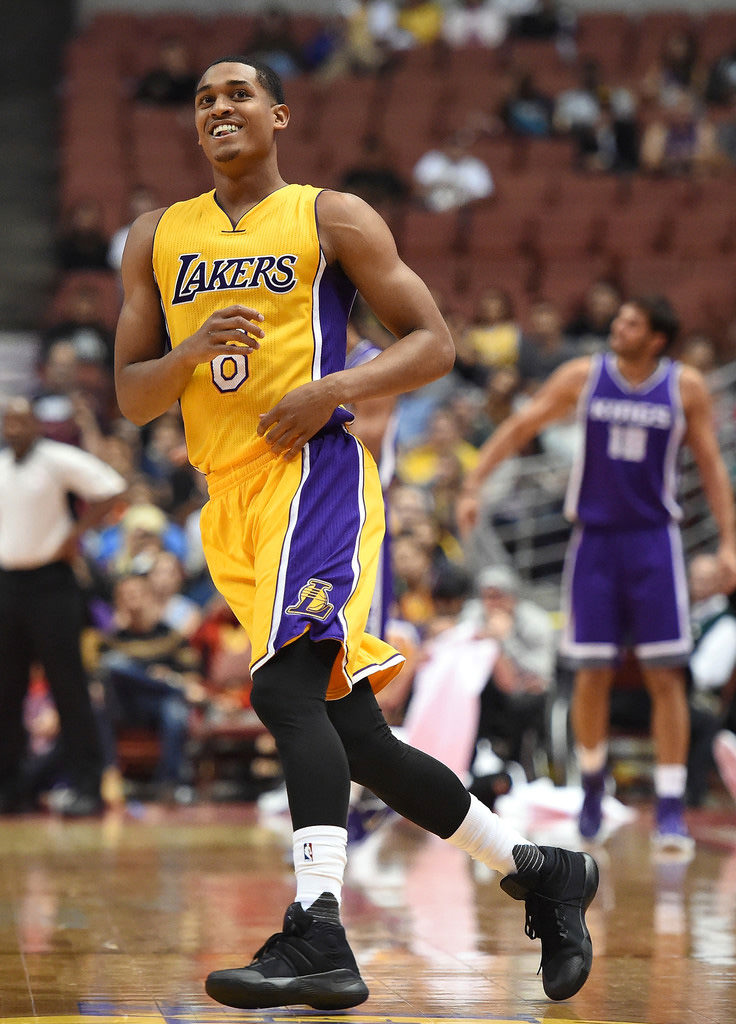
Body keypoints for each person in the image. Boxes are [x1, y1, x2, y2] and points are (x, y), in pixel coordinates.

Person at [114, 55, 598, 1010]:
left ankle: (319, 932)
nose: (219, 107)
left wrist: (333, 390)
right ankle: (543, 869)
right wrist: (190, 353)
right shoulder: (155, 236)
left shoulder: (331, 217)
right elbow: (134, 398)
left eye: (239, 93)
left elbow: (433, 342)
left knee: (283, 688)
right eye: (206, 97)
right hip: (229, 501)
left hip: (315, 474)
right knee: (355, 735)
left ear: (280, 115)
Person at [457, 295, 736, 849]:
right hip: (595, 544)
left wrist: (728, 543)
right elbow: (522, 424)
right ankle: (589, 787)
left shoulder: (685, 388)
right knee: (591, 673)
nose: (618, 326)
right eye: (619, 318)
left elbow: (710, 465)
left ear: (657, 337)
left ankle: (673, 802)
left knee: (665, 676)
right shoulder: (584, 375)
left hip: (655, 542)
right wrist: (474, 482)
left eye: (631, 322)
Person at [0, 397, 127, 816]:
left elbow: (111, 489)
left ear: (35, 424)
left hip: (52, 584)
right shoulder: (2, 463)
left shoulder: (56, 460)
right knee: (7, 691)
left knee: (68, 687)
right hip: (7, 585)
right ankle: (12, 788)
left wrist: (76, 533)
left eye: (20, 420)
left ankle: (87, 785)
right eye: (7, 422)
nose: (13, 428)